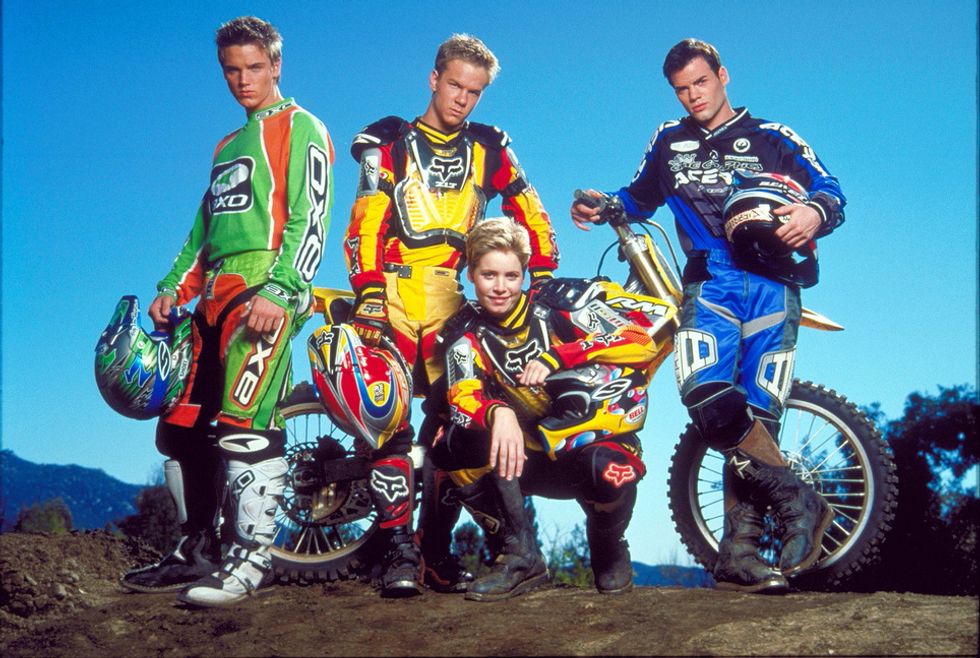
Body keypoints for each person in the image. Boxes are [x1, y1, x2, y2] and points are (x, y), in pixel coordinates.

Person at [570, 38, 845, 593]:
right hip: (710, 276)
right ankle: (799, 501)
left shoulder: (774, 136)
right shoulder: (669, 141)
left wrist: (815, 214)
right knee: (703, 388)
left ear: (723, 75)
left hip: (774, 279)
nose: (693, 96)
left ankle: (739, 551)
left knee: (760, 411)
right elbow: (639, 196)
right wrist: (604, 206)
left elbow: (831, 190)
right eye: (682, 89)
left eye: (701, 82)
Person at [119, 16, 334, 607]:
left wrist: (283, 290)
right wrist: (173, 287)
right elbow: (202, 230)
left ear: (276, 65)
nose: (243, 80)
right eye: (231, 70)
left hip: (264, 288)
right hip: (213, 294)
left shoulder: (302, 125)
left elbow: (311, 215)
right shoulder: (224, 145)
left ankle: (250, 561)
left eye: (254, 67)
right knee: (182, 426)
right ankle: (198, 549)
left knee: (244, 425)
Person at [344, 34, 559, 596]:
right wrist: (368, 291)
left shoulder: (490, 147)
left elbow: (529, 207)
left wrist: (542, 273)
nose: (463, 99)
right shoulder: (388, 140)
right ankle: (396, 552)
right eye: (455, 85)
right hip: (392, 289)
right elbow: (366, 217)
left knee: (456, 421)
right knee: (387, 418)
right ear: (434, 78)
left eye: (475, 91)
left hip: (451, 297)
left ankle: (435, 552)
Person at [432, 217, 667, 600]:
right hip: (524, 460)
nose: (500, 287)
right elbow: (462, 395)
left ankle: (608, 545)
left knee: (610, 471)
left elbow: (641, 339)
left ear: (524, 274)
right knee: (451, 444)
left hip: (590, 444)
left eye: (511, 275)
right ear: (471, 274)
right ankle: (520, 555)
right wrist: (498, 412)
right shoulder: (464, 337)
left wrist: (561, 354)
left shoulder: (560, 303)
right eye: (489, 275)